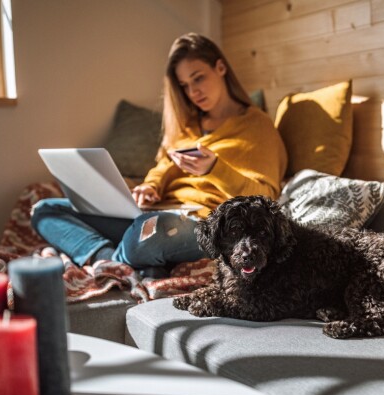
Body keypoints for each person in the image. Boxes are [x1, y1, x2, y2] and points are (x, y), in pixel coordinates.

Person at [31, 33, 288, 276]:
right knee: (45, 209)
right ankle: (109, 257)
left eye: (198, 78)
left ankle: (132, 261)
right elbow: (162, 166)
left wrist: (214, 169)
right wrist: (150, 186)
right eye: (185, 85)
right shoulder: (186, 124)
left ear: (220, 68)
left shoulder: (257, 126)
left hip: (201, 222)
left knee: (152, 231)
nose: (193, 92)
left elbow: (265, 199)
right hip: (154, 213)